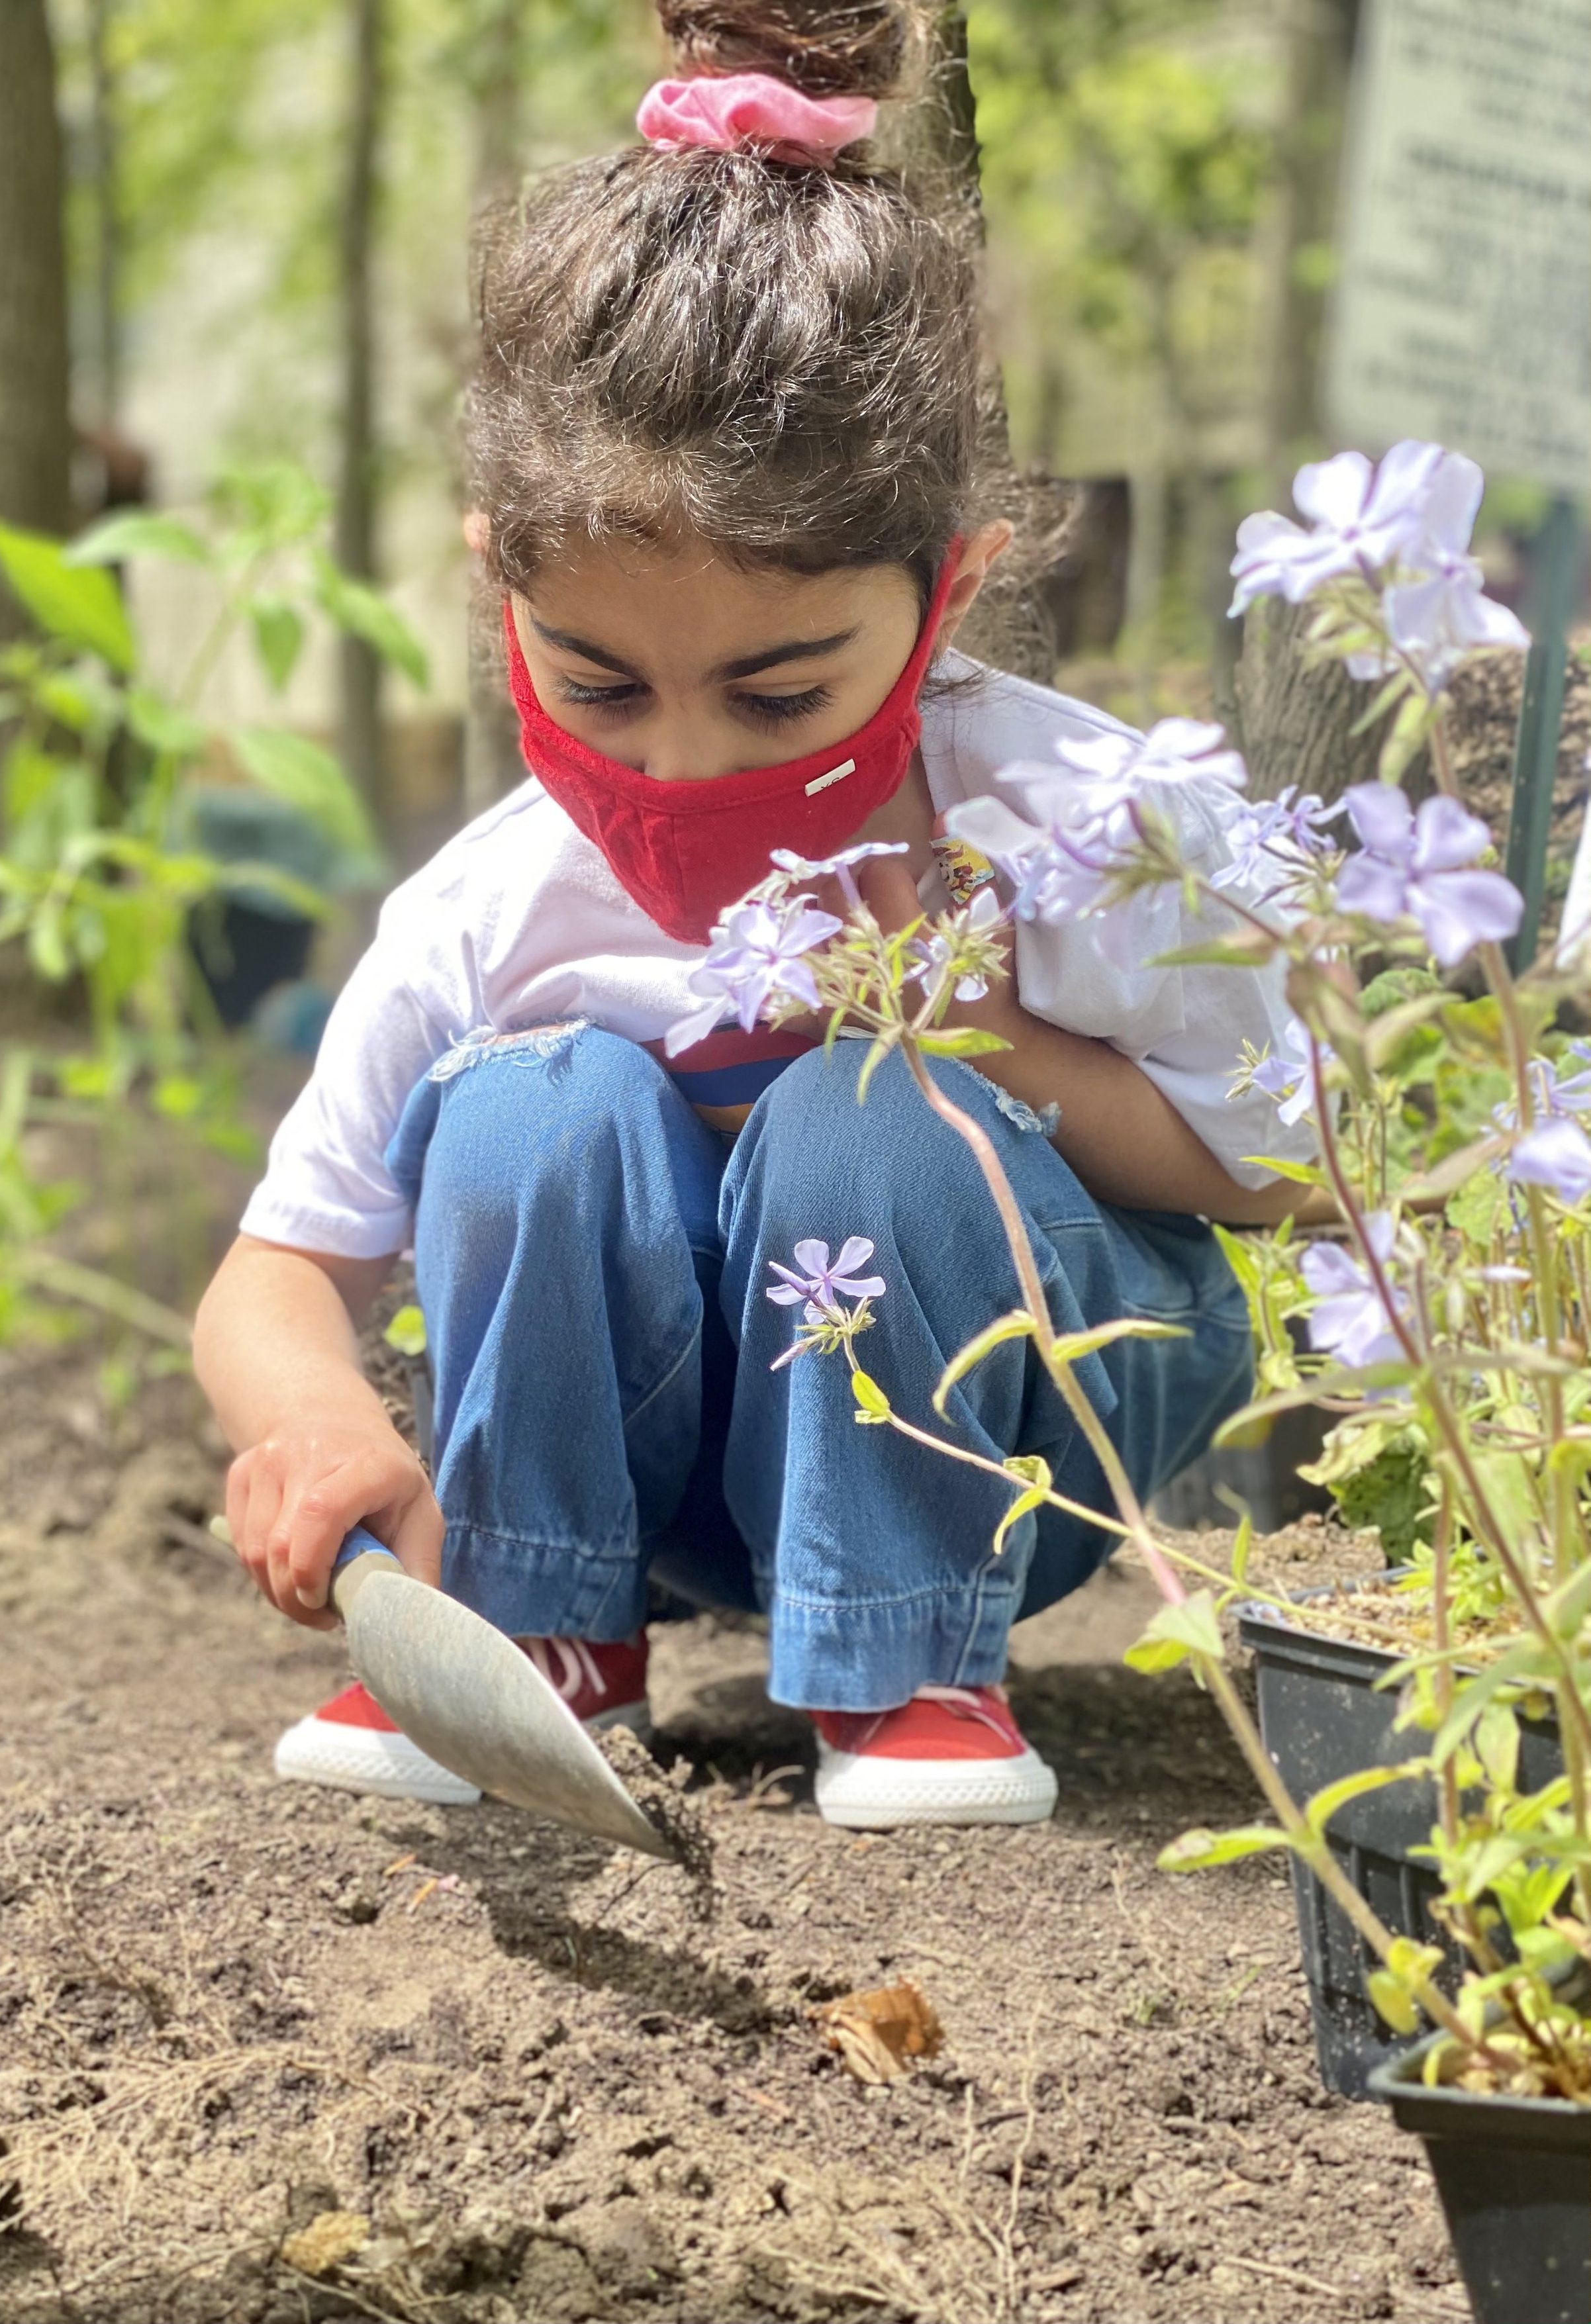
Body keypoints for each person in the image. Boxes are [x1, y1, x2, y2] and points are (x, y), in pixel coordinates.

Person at [193, 0, 1313, 1831]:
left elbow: (1281, 1171)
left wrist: (986, 1044)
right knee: (527, 1100)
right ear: (500, 598)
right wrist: (312, 1420)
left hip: (1017, 1432)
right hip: (670, 1478)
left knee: (870, 1112)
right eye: (601, 688)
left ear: (946, 595)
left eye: (781, 697)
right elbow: (275, 1273)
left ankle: (908, 1660)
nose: (687, 759)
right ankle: (532, 1628)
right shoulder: (498, 894)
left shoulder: (1083, 828)